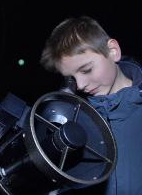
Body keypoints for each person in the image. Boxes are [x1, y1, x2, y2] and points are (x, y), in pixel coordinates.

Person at [40, 16, 142, 194]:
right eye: (71, 78)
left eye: (86, 70)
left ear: (113, 51)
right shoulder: (76, 121)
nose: (80, 85)